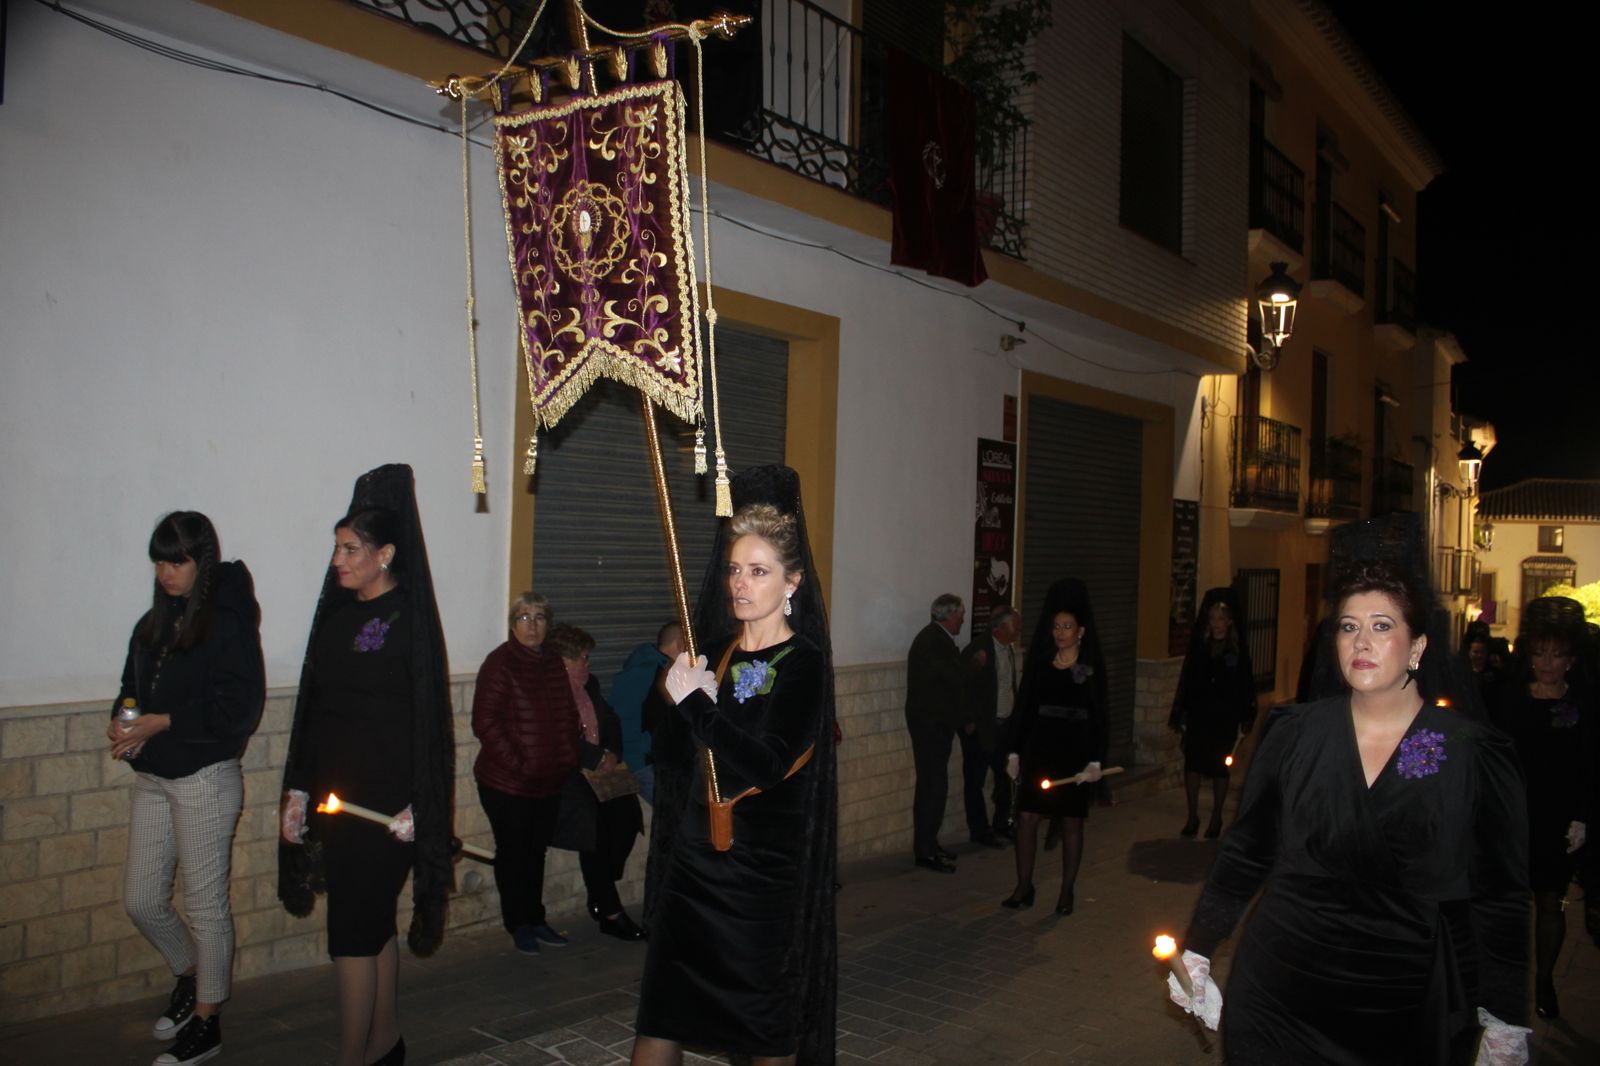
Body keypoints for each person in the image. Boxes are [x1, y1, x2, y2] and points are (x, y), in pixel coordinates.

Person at [1165, 514, 1531, 1066]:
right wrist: (1198, 948)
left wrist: (1504, 1016)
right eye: (1348, 626)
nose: (1361, 641)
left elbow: (1499, 898)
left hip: (1403, 1006)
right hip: (1279, 994)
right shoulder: (1294, 734)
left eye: (1382, 626)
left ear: (1417, 646)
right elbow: (1247, 851)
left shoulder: (1469, 752)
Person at [633, 464, 837, 1066]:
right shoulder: (718, 653)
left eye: (758, 571)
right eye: (734, 569)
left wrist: (698, 706)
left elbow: (766, 765)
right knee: (660, 1017)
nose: (740, 584)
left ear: (792, 581)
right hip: (695, 866)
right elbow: (677, 756)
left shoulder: (802, 662)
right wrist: (670, 695)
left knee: (760, 1030)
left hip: (757, 877)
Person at [278, 465, 455, 1066]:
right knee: (370, 923)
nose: (337, 561)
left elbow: (427, 725)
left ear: (385, 555)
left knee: (351, 932)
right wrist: (298, 790)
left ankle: (350, 1057)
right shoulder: (336, 618)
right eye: (337, 548)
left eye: (350, 549)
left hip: (389, 809)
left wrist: (421, 804)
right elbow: (315, 712)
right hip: (338, 799)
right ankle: (384, 1042)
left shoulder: (410, 621)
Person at [111, 511, 264, 1066]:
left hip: (204, 778)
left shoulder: (225, 622)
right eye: (159, 561)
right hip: (154, 777)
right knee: (141, 899)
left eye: (176, 561)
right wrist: (123, 720)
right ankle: (191, 974)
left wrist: (166, 721)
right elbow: (130, 687)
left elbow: (240, 708)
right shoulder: (151, 623)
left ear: (201, 561)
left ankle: (207, 1020)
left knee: (205, 908)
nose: (166, 572)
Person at [1489, 595, 1593, 1020]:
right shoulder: (1509, 699)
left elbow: (1591, 763)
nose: (1547, 662)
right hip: (1513, 814)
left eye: (1556, 654)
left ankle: (1545, 978)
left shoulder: (1585, 704)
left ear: (1571, 660)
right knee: (1507, 902)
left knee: (1550, 901)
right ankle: (1505, 980)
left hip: (1558, 817)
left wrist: (1583, 815)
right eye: (1540, 653)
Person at [471, 593, 580, 955]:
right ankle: (518, 923)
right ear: (512, 624)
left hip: (548, 780)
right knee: (514, 853)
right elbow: (485, 722)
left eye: (539, 618)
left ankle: (536, 918)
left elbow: (566, 713)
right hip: (508, 782)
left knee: (536, 852)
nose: (532, 626)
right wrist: (521, 763)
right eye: (524, 618)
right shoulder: (500, 663)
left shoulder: (552, 662)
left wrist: (566, 756)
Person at [1001, 579, 1106, 915]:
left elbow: (1099, 715)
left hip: (1074, 753)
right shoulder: (1042, 664)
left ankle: (1066, 891)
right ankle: (1023, 886)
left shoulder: (1088, 668)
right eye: (1056, 626)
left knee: (1072, 822)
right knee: (1027, 817)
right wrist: (1014, 751)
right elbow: (1025, 708)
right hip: (1040, 749)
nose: (1060, 632)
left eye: (1067, 626)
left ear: (1081, 631)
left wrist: (1096, 761)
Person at [545, 623, 647, 941]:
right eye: (582, 657)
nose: (587, 663)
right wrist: (594, 757)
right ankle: (610, 910)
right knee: (595, 832)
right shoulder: (547, 691)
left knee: (627, 819)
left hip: (599, 768)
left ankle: (602, 888)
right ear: (563, 661)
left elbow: (610, 719)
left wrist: (612, 752)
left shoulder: (589, 685)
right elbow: (555, 737)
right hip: (566, 774)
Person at [1167, 587, 1257, 838]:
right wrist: (1184, 711)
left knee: (1219, 767)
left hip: (1224, 717)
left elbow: (1244, 685)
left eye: (1220, 618)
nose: (1216, 623)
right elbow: (1189, 680)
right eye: (1212, 618)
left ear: (1229, 621)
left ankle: (1216, 817)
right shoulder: (1201, 646)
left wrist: (1244, 716)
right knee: (1193, 764)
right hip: (1200, 715)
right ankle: (1192, 816)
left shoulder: (1237, 650)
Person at [904, 594, 969, 872]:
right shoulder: (933, 641)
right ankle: (925, 851)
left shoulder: (936, 638)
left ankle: (930, 843)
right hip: (931, 726)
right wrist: (972, 664)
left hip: (934, 725)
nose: (963, 620)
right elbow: (951, 680)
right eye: (960, 615)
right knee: (932, 787)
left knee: (934, 786)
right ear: (949, 615)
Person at [962, 606, 1022, 843]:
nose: (1018, 631)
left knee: (1007, 776)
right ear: (1001, 628)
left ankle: (1002, 823)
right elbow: (962, 685)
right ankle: (979, 830)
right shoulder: (978, 650)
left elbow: (1008, 685)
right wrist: (969, 721)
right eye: (1015, 626)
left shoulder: (1008, 649)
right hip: (983, 728)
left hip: (1005, 725)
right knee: (975, 780)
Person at [611, 622, 686, 806]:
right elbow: (619, 723)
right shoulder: (647, 672)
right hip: (642, 764)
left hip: (648, 761)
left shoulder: (656, 669)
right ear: (680, 643)